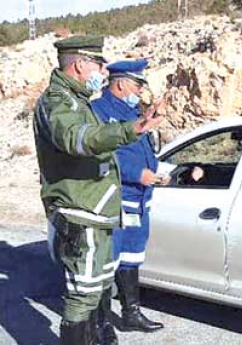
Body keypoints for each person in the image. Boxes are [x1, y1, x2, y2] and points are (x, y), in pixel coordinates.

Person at [33, 36, 163, 345]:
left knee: (96, 289)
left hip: (96, 209)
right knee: (82, 297)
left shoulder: (78, 101)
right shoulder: (57, 101)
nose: (103, 73)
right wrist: (131, 129)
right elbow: (77, 139)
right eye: (98, 65)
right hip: (79, 212)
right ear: (79, 65)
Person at [91, 59, 166, 338]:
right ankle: (99, 323)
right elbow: (100, 156)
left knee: (132, 255)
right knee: (107, 260)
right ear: (121, 83)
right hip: (116, 198)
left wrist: (157, 172)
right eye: (137, 84)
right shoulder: (98, 111)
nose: (140, 90)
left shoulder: (133, 110)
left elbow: (144, 150)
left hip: (139, 198)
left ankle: (130, 313)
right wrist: (137, 173)